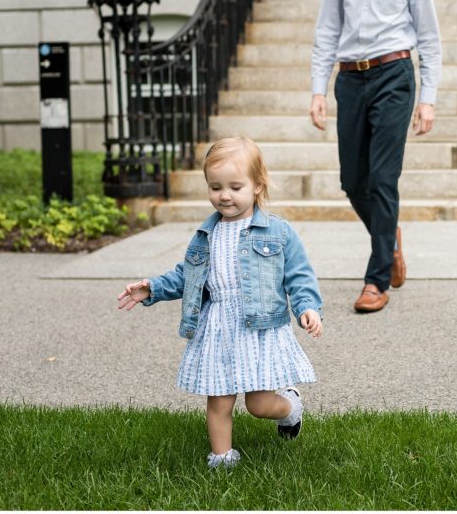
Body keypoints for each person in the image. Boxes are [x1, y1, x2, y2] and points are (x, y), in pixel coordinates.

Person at [117, 136, 322, 469]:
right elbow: (186, 277)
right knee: (219, 400)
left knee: (258, 404)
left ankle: (291, 408)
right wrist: (151, 289)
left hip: (259, 327)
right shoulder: (205, 236)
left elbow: (299, 277)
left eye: (235, 187)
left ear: (258, 185)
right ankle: (222, 459)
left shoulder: (278, 232)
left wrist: (307, 308)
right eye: (215, 187)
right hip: (218, 328)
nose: (224, 195)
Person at [309, 0, 442, 314]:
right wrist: (317, 90)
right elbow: (327, 29)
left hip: (394, 75)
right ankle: (390, 237)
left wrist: (429, 97)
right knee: (353, 181)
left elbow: (428, 35)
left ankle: (376, 279)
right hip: (350, 80)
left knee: (383, 179)